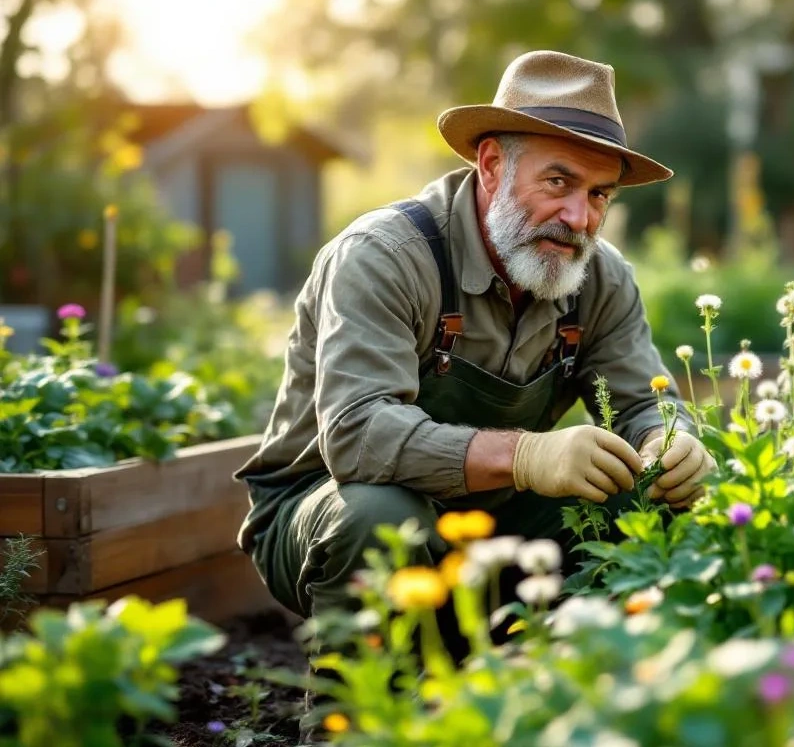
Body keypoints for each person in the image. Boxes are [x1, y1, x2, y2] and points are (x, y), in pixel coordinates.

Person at [233, 50, 715, 656]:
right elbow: (358, 436)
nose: (579, 218)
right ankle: (355, 704)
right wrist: (526, 455)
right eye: (559, 182)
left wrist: (673, 444)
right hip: (323, 513)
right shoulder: (384, 256)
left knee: (643, 497)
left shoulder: (600, 277)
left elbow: (644, 404)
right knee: (381, 517)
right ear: (491, 166)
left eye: (600, 195)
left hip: (494, 519)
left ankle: (564, 687)